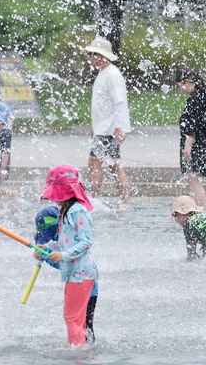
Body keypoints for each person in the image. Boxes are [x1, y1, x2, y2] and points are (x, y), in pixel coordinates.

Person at [34, 165, 97, 346]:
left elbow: (86, 242)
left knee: (73, 318)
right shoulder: (65, 211)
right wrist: (44, 249)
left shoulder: (78, 210)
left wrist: (63, 255)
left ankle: (76, 354)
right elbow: (64, 242)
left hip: (81, 273)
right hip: (73, 272)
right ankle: (80, 350)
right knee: (74, 318)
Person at [85, 36, 131, 203]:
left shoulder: (112, 74)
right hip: (103, 129)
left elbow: (119, 102)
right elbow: (102, 104)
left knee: (99, 163)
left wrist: (119, 127)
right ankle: (123, 198)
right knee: (109, 164)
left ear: (103, 56)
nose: (90, 57)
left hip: (109, 130)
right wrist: (95, 127)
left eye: (93, 54)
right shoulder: (103, 73)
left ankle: (92, 197)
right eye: (89, 54)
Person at [175, 67, 206, 207]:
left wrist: (188, 146)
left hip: (196, 145)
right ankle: (199, 208)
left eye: (180, 85)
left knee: (193, 179)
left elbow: (192, 124)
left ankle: (199, 210)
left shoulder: (195, 98)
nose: (181, 89)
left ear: (187, 82)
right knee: (195, 179)